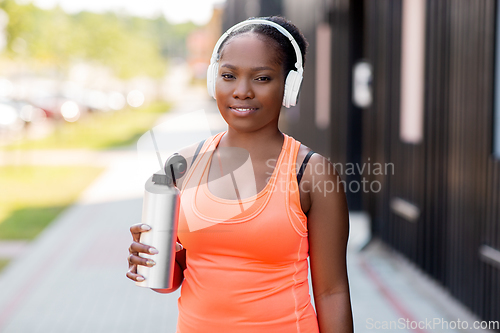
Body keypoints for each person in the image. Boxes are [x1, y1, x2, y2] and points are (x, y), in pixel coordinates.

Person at [127, 16, 353, 333]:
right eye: (229, 75)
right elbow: (173, 280)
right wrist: (150, 262)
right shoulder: (182, 166)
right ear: (212, 80)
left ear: (289, 86)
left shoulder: (312, 173)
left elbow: (332, 293)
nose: (242, 91)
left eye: (261, 78)